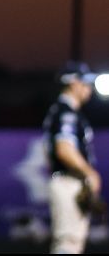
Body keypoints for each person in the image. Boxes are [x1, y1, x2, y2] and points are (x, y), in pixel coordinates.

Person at [42, 60, 102, 254]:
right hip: (68, 181)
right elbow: (64, 149)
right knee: (68, 242)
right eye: (85, 83)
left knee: (72, 243)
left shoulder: (64, 111)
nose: (89, 88)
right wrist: (89, 173)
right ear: (74, 83)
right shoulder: (65, 112)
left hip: (68, 181)